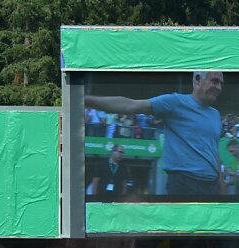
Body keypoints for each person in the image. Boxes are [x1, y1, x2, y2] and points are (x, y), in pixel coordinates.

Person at [85, 71, 225, 196]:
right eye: (214, 81)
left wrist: (222, 188)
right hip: (184, 184)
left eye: (221, 83)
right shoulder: (175, 102)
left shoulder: (216, 115)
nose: (219, 87)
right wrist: (84, 100)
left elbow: (214, 152)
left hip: (211, 186)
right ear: (198, 79)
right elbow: (131, 105)